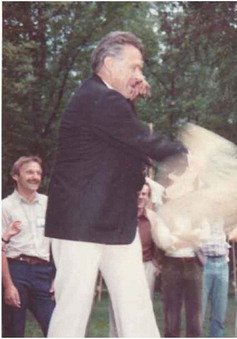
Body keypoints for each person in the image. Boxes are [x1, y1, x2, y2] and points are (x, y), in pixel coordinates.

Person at [44, 31, 187, 337]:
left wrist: (130, 99)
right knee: (73, 311)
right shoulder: (98, 97)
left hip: (115, 223)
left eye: (141, 68)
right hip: (80, 225)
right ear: (109, 64)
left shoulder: (108, 101)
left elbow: (126, 140)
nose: (140, 75)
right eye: (134, 67)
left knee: (136, 308)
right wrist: (185, 154)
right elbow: (140, 139)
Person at [2, 156, 55, 337]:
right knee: (14, 332)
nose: (35, 176)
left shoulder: (49, 205)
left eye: (38, 173)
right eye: (30, 172)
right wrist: (8, 285)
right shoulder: (5, 207)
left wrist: (58, 276)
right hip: (16, 271)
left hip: (43, 273)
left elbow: (59, 244)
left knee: (55, 328)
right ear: (16, 176)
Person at [108, 182, 160, 336]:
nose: (140, 197)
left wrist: (157, 264)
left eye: (144, 194)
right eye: (138, 193)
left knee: (142, 308)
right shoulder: (121, 215)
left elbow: (160, 241)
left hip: (146, 267)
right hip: (123, 267)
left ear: (148, 197)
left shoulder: (152, 218)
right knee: (118, 306)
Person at [200, 218, 230, 337]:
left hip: (222, 264)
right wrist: (201, 260)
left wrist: (226, 254)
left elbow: (226, 235)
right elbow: (192, 239)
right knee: (198, 313)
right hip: (204, 264)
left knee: (219, 313)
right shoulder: (200, 212)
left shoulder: (223, 213)